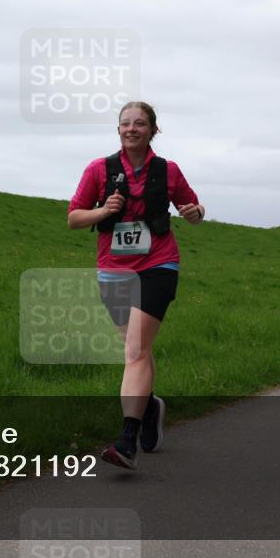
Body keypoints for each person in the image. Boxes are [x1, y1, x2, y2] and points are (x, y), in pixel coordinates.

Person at [67, 101, 205, 470]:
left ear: (153, 130)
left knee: (135, 350)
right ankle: (150, 407)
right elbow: (74, 218)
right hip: (113, 270)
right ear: (118, 130)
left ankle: (126, 441)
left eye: (140, 123)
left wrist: (195, 213)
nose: (132, 128)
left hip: (158, 265)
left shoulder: (168, 170)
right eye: (125, 123)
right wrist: (103, 211)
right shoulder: (98, 169)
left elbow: (194, 209)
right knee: (137, 350)